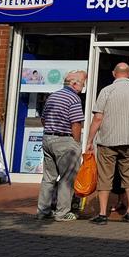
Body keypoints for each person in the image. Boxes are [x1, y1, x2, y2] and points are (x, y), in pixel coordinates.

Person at [86, 63, 129, 225]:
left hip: (108, 141)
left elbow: (98, 118)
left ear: (114, 74)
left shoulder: (106, 91)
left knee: (105, 177)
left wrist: (89, 140)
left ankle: (102, 213)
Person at [35, 70, 87, 222]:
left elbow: (43, 119)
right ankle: (62, 212)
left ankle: (43, 210)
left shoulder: (53, 96)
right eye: (82, 84)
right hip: (65, 141)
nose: (83, 87)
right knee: (67, 178)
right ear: (74, 83)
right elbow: (76, 123)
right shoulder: (74, 98)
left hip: (48, 138)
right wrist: (76, 143)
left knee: (48, 177)